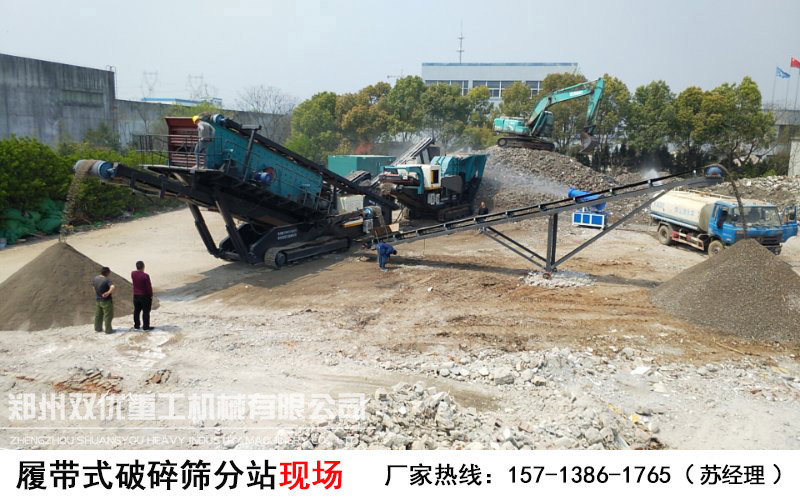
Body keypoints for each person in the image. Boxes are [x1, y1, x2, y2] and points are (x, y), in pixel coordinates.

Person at [131, 261, 154, 331]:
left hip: (136, 295)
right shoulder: (145, 276)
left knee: (136, 311)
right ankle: (146, 327)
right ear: (143, 267)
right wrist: (151, 295)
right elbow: (148, 287)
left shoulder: (133, 274)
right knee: (146, 312)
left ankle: (136, 326)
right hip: (145, 296)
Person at [93, 267, 115, 334]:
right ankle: (108, 330)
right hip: (106, 301)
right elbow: (113, 287)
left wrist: (98, 294)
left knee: (98, 315)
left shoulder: (95, 278)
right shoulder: (107, 280)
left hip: (98, 300)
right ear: (107, 273)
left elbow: (93, 287)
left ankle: (98, 328)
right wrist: (108, 293)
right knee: (108, 315)